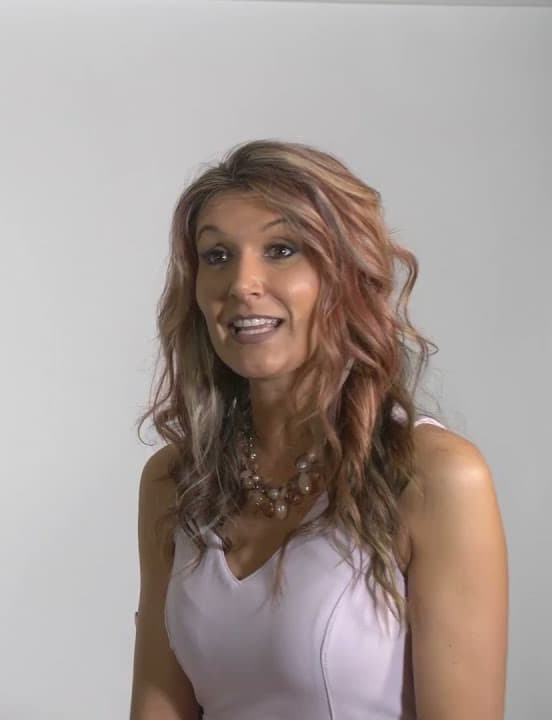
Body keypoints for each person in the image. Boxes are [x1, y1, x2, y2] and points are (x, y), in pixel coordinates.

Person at [130, 140, 507, 719]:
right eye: (217, 255)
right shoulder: (176, 481)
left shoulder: (435, 476)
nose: (242, 283)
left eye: (281, 250)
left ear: (346, 273)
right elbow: (159, 706)